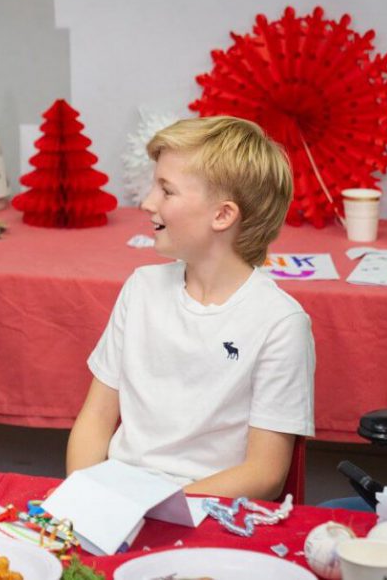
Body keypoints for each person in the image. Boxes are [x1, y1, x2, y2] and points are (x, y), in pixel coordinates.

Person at [65, 116, 315, 500]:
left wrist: (156, 507)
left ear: (222, 215)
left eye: (166, 191)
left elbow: (265, 474)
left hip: (209, 512)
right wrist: (84, 497)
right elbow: (95, 421)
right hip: (118, 499)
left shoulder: (280, 323)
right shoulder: (141, 289)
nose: (147, 203)